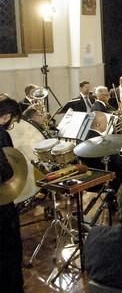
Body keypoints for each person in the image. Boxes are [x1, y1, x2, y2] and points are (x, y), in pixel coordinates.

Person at [0, 96, 24, 293]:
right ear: (5, 116)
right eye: (12, 121)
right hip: (1, 205)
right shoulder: (0, 133)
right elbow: (7, 173)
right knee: (9, 248)